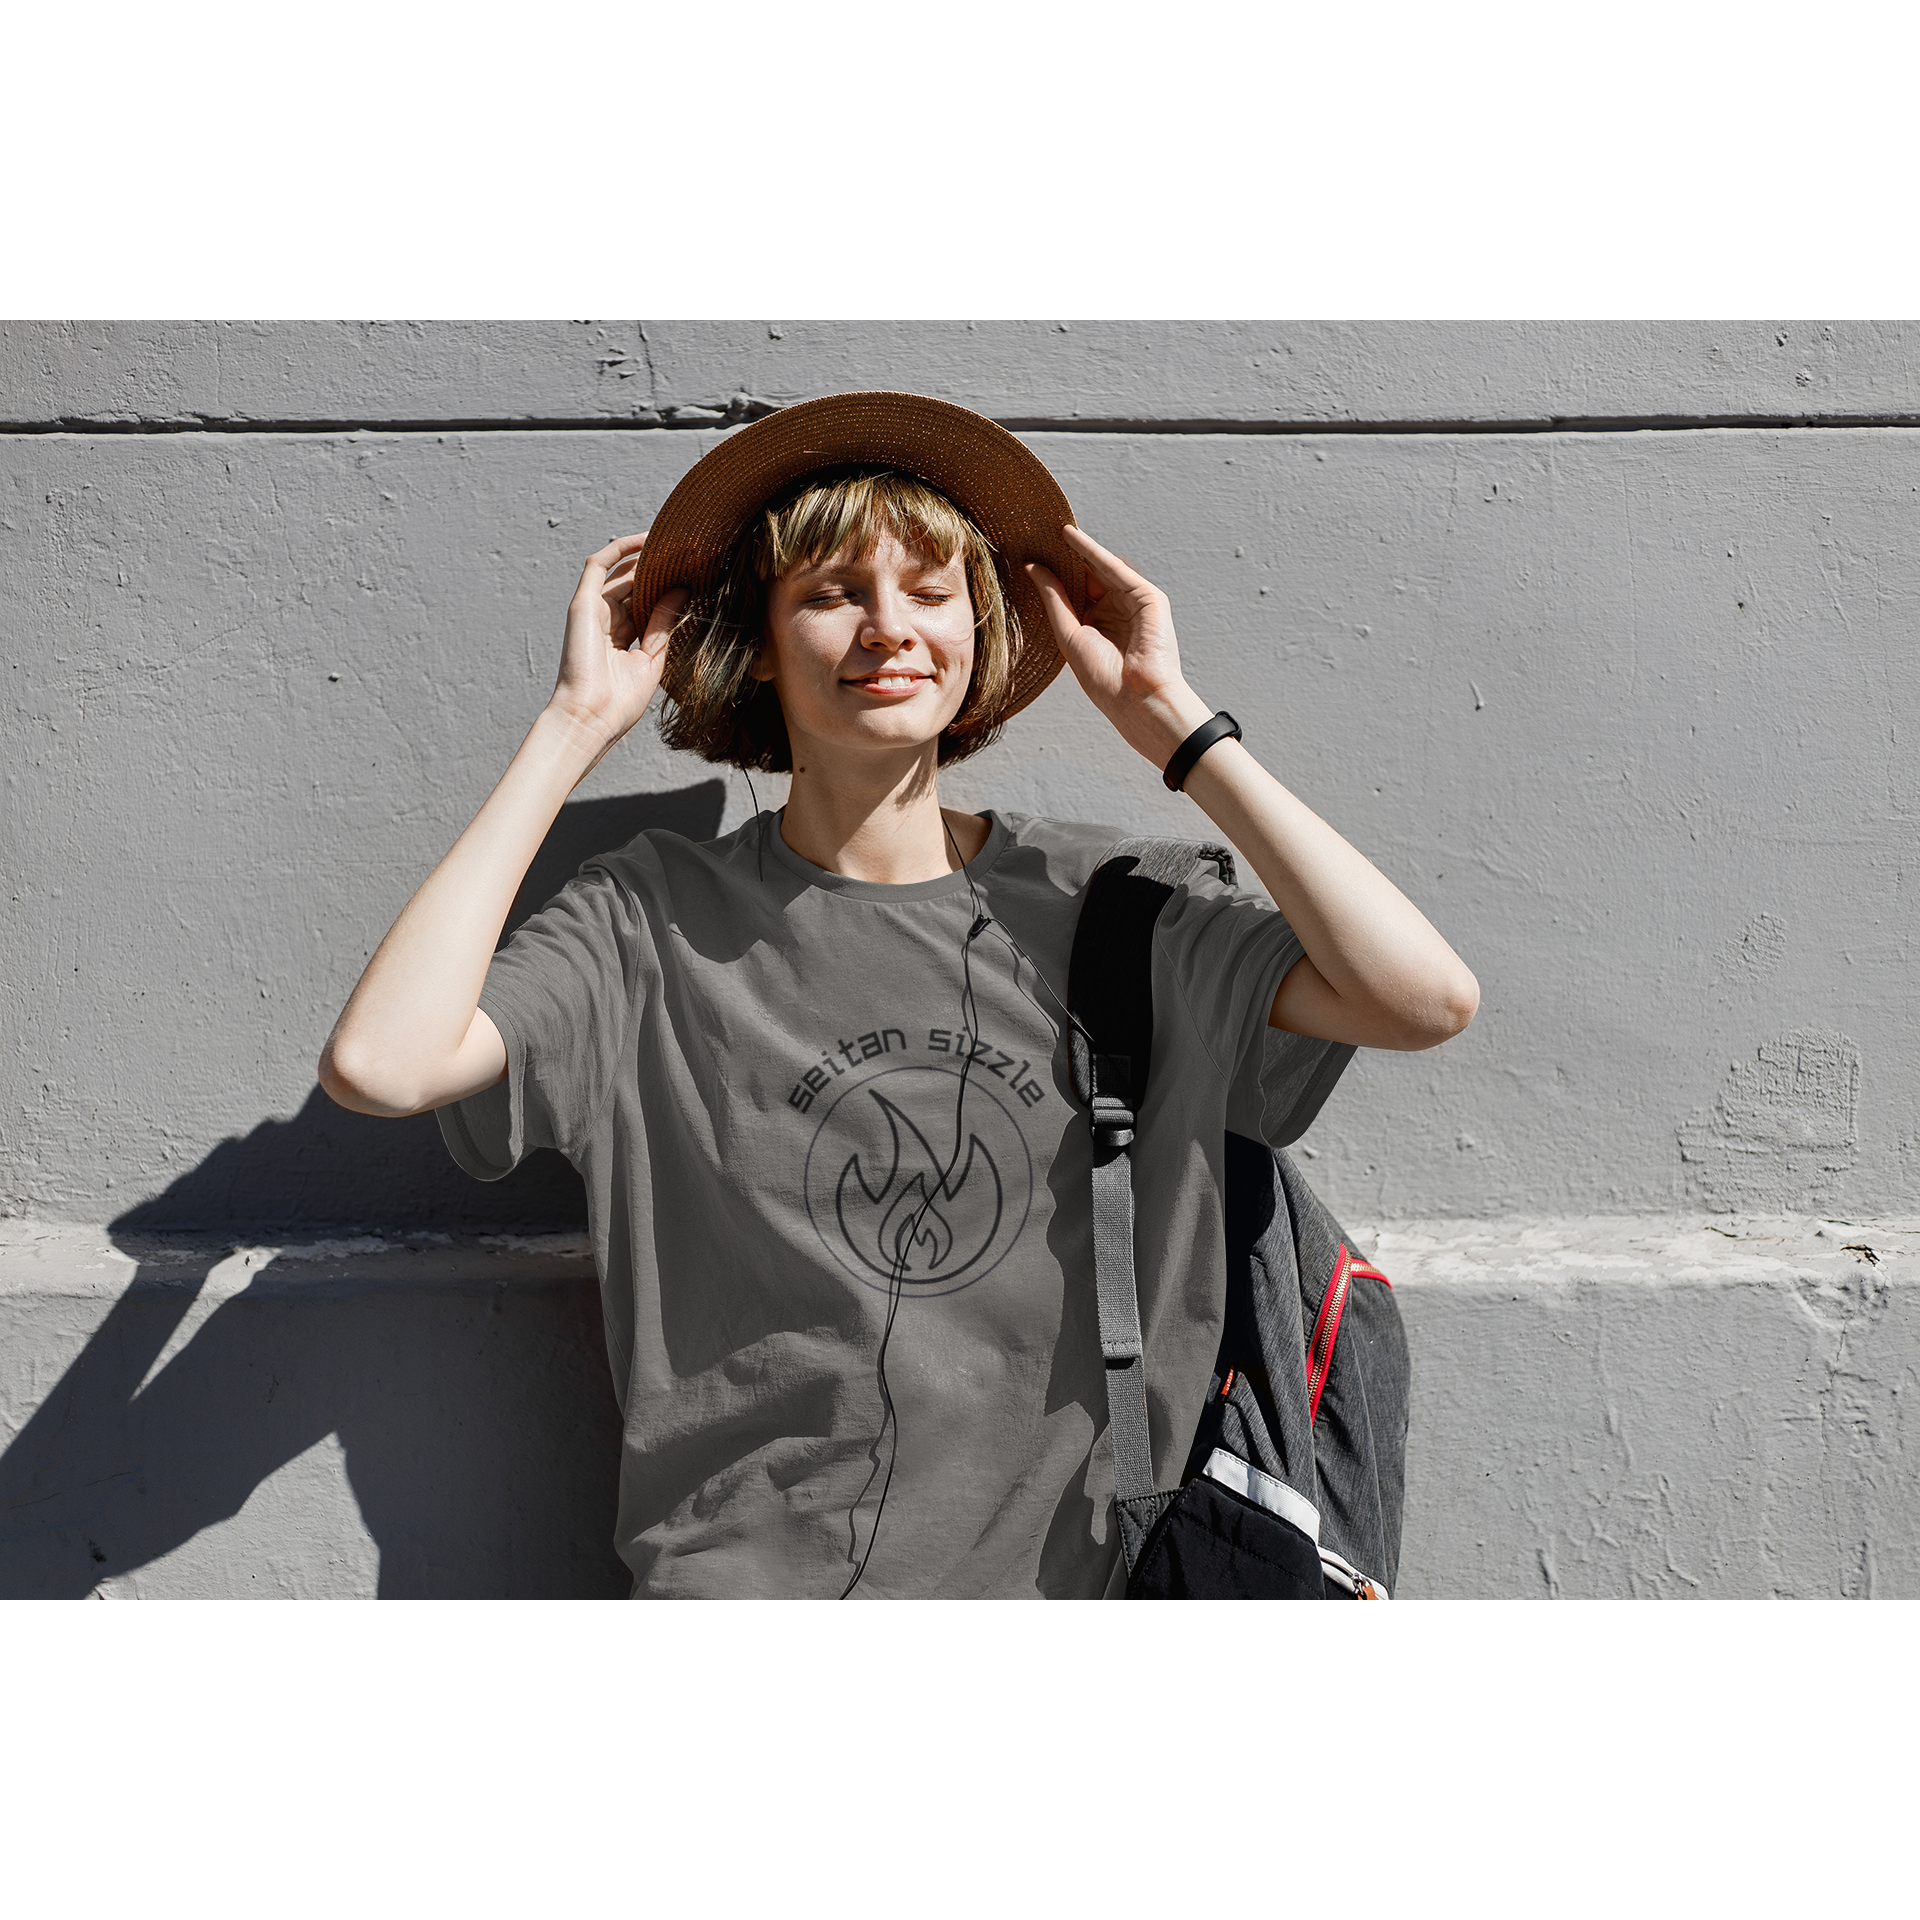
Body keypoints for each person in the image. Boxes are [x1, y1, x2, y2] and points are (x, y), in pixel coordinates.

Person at [319, 392, 1478, 1599]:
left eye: (931, 593)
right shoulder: (648, 923)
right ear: (760, 643)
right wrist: (570, 730)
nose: (889, 629)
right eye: (832, 593)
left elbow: (1424, 1000)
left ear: (980, 633)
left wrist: (1175, 727)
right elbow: (383, 1064)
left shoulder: (1112, 910)